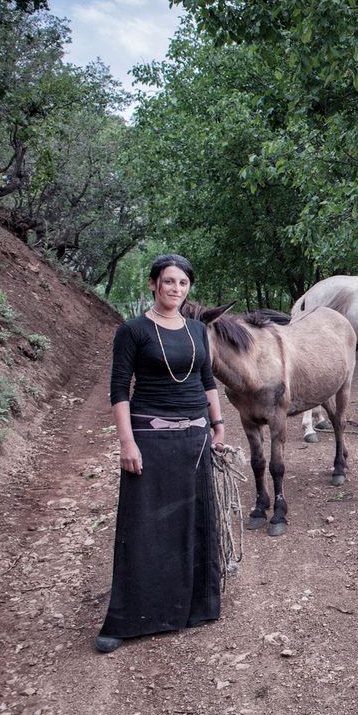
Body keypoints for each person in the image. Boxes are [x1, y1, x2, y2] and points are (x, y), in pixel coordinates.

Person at [97, 254, 226, 653]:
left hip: (195, 438)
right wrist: (126, 441)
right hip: (149, 436)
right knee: (145, 527)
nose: (176, 289)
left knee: (192, 520)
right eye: (168, 282)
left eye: (183, 283)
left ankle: (192, 609)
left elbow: (207, 380)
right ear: (153, 284)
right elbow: (120, 388)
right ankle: (129, 618)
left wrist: (218, 426)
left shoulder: (196, 330)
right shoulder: (132, 331)